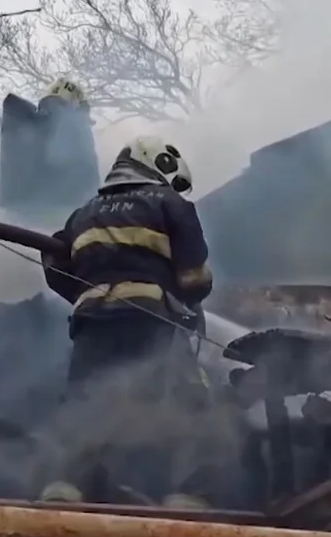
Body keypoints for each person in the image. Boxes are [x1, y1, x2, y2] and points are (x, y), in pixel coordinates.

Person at [39, 135, 215, 509]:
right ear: (158, 164)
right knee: (190, 398)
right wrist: (189, 298)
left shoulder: (81, 214)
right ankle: (188, 493)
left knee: (88, 399)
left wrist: (96, 294)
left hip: (91, 323)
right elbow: (194, 279)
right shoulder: (170, 203)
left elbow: (55, 265)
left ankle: (67, 485)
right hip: (150, 318)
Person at [0, 77, 99, 228]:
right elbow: (85, 177)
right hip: (60, 220)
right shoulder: (73, 125)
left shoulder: (25, 122)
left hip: (10, 220)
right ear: (75, 103)